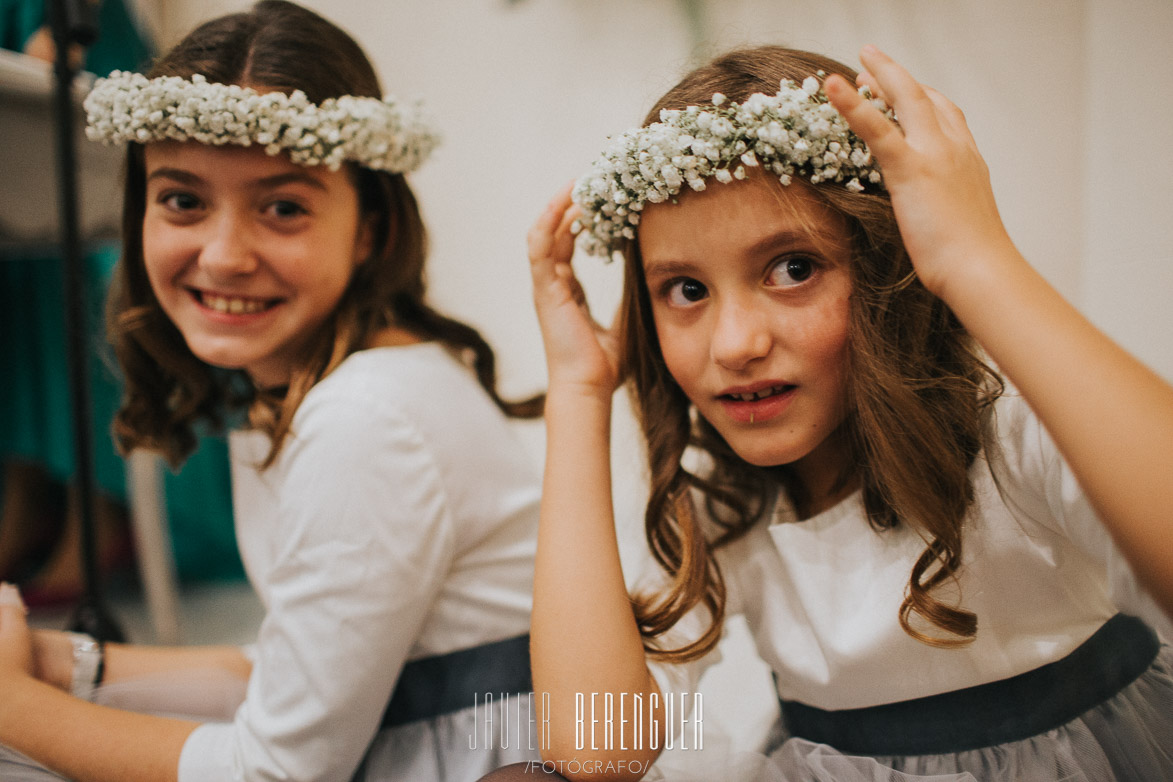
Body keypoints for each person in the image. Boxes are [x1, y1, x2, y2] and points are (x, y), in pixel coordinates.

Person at [520, 44, 1173, 781]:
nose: (735, 345)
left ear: (889, 263)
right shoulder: (723, 506)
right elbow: (593, 749)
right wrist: (578, 392)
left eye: (792, 269)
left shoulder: (1011, 441)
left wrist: (976, 260)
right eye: (685, 290)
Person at [0, 2, 543, 780]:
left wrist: (15, 707)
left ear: (370, 230)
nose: (223, 257)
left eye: (282, 208)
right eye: (183, 200)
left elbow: (276, 771)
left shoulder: (366, 419)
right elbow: (296, 667)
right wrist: (65, 664)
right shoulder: (307, 385)